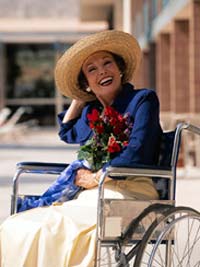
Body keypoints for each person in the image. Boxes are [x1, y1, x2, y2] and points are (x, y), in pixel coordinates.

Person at [0, 30, 162, 267]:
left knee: (63, 230)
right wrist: (81, 95)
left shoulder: (143, 100)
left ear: (120, 70)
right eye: (92, 69)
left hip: (131, 190)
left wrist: (97, 177)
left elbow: (137, 150)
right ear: (86, 83)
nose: (103, 71)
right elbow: (67, 132)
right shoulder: (93, 110)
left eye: (108, 63)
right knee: (20, 226)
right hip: (94, 194)